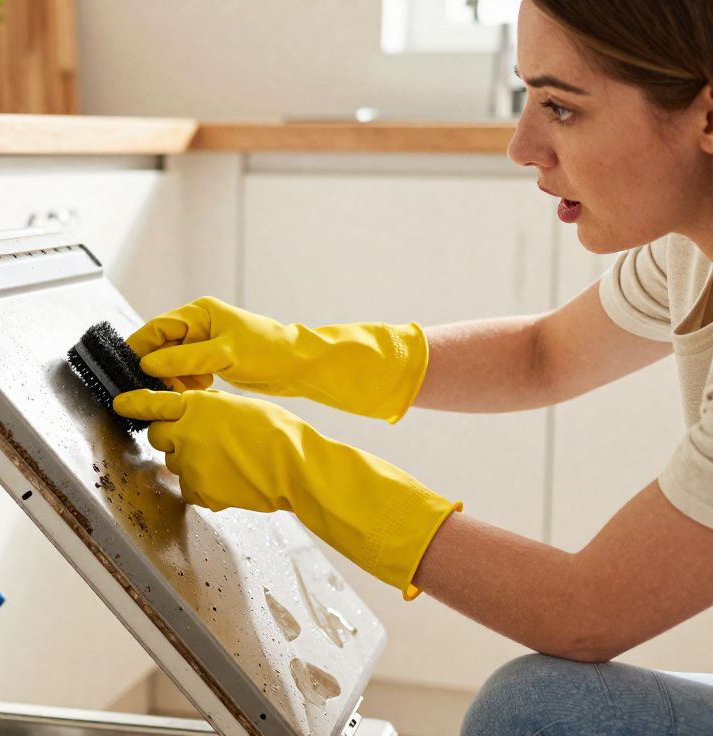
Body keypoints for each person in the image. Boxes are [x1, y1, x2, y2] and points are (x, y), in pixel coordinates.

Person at [112, 1, 713, 733]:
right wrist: (294, 353)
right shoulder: (689, 248)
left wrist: (299, 471)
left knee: (537, 712)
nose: (522, 146)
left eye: (561, 107)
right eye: (529, 96)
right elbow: (542, 356)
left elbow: (587, 612)